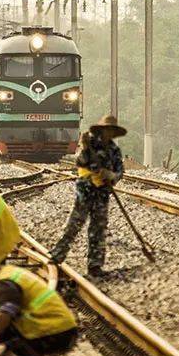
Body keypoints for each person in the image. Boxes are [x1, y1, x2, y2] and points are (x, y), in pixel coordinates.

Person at [0, 251, 78, 356]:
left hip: (58, 332)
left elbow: (6, 313)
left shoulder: (4, 283)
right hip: (54, 329)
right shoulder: (5, 275)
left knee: (13, 344)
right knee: (6, 337)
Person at [49, 115, 125, 278]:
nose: (108, 133)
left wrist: (112, 176)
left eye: (111, 130)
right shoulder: (90, 144)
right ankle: (57, 255)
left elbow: (120, 171)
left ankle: (95, 265)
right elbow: (80, 162)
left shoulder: (114, 150)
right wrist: (84, 148)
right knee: (74, 224)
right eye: (106, 130)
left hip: (102, 194)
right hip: (86, 191)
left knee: (98, 229)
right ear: (101, 130)